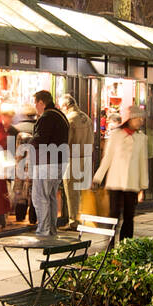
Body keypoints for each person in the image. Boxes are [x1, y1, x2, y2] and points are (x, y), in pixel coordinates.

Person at [93, 104, 149, 242]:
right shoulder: (116, 135)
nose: (140, 121)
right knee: (113, 215)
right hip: (115, 182)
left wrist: (143, 184)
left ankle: (126, 244)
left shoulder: (142, 138)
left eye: (141, 119)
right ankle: (110, 243)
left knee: (129, 216)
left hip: (132, 183)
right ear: (131, 119)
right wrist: (98, 177)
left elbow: (143, 162)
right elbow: (107, 158)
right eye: (138, 119)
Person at [30, 90, 69, 237]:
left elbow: (40, 140)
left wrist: (29, 142)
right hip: (60, 162)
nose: (35, 107)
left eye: (35, 103)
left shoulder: (47, 117)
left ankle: (44, 231)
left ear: (41, 102)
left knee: (40, 197)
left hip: (47, 163)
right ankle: (51, 230)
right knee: (51, 196)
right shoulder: (61, 115)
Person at [60, 94, 94, 230]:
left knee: (71, 192)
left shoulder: (69, 119)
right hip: (85, 157)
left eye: (61, 107)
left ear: (66, 106)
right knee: (81, 191)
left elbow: (66, 141)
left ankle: (73, 221)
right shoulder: (86, 117)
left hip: (73, 158)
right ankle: (82, 218)